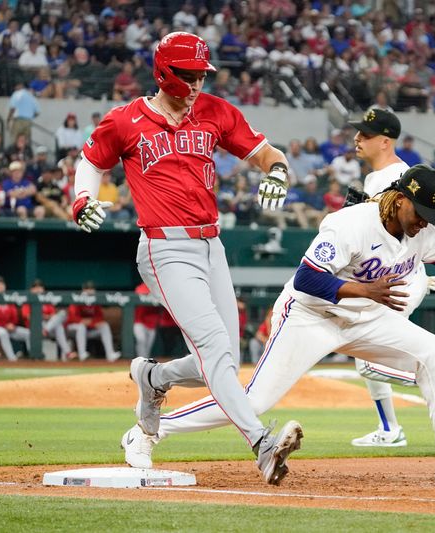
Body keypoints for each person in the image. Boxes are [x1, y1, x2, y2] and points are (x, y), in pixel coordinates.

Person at [120, 164, 435, 486]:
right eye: (419, 211)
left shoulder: (421, 232)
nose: (424, 222)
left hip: (364, 319)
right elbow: (307, 278)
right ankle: (149, 431)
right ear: (399, 199)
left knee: (430, 350)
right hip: (309, 316)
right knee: (254, 401)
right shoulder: (351, 224)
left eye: (430, 216)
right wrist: (363, 289)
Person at [72, 32, 300, 485]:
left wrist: (277, 171)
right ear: (162, 72)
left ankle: (154, 379)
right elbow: (92, 161)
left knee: (223, 362)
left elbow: (266, 154)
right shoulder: (126, 120)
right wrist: (82, 198)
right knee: (214, 347)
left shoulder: (216, 111)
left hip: (210, 245)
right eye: (187, 74)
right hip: (164, 247)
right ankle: (261, 444)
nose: (196, 83)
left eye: (201, 74)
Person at [348, 108, 435, 447]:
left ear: (385, 141)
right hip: (398, 276)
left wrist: (417, 273)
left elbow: (413, 232)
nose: (357, 138)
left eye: (365, 133)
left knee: (367, 360)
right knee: (365, 356)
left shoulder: (397, 176)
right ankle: (389, 429)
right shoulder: (382, 176)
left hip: (399, 280)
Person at [20, 278, 75, 361]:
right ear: (31, 290)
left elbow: (53, 315)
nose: (38, 289)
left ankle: (46, 331)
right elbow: (29, 317)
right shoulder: (28, 301)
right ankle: (67, 352)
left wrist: (45, 317)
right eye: (35, 287)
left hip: (47, 328)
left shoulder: (46, 301)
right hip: (35, 328)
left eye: (40, 287)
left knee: (61, 316)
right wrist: (44, 317)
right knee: (57, 326)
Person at [66, 280, 121, 362]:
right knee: (81, 327)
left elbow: (100, 318)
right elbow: (71, 318)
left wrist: (91, 322)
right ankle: (82, 354)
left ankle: (110, 354)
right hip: (73, 329)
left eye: (91, 288)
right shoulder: (77, 299)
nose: (90, 290)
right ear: (83, 290)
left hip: (88, 329)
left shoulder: (95, 300)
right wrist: (82, 321)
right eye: (87, 288)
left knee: (104, 326)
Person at [0, 276, 30, 362]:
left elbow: (14, 316)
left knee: (28, 333)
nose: (0, 286)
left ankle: (32, 356)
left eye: (2, 284)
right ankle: (12, 359)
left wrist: (12, 325)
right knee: (2, 332)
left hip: (9, 328)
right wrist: (4, 325)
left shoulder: (8, 299)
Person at [133, 282, 160, 358]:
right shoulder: (143, 285)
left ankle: (145, 361)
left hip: (152, 322)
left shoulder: (157, 286)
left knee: (148, 347)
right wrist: (150, 294)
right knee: (141, 340)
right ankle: (141, 360)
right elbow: (138, 291)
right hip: (139, 321)